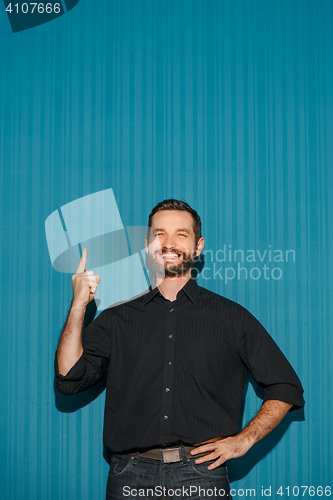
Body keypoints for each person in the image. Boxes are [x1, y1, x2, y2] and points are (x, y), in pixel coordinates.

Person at [55, 199, 304, 500]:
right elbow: (69, 377)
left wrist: (243, 441)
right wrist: (79, 306)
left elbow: (286, 386)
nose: (169, 242)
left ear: (198, 247)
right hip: (130, 476)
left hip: (203, 475)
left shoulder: (230, 317)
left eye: (180, 234)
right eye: (159, 234)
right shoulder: (117, 318)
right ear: (147, 244)